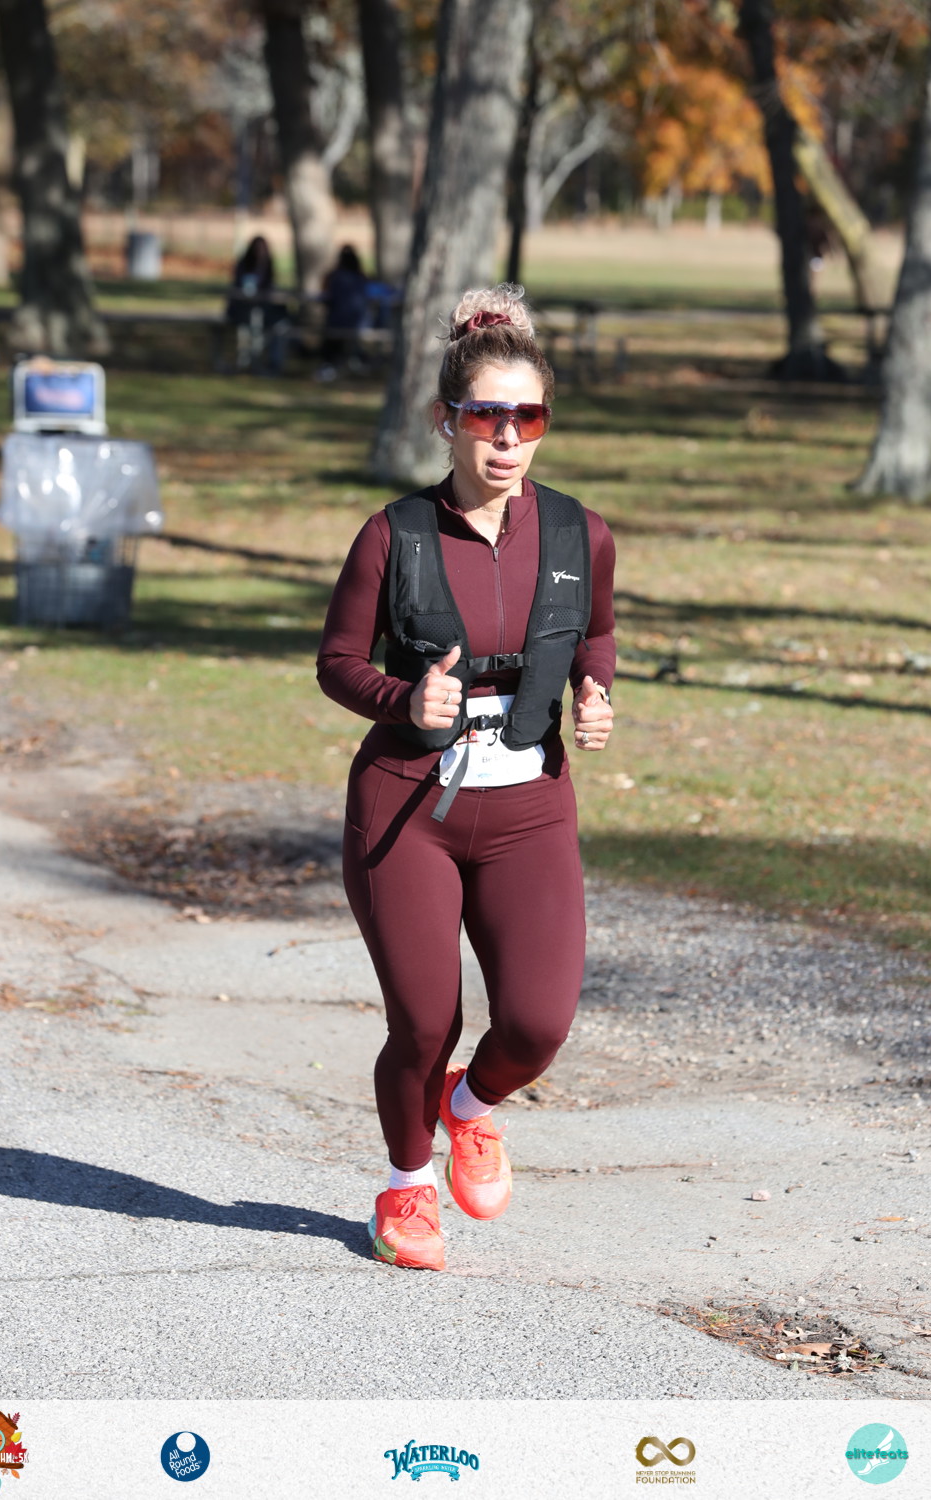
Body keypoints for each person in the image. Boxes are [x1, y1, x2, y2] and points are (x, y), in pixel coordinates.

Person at [316, 283, 616, 1271]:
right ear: (445, 419)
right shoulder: (393, 534)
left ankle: (470, 1104)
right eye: (486, 416)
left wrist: (595, 690)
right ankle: (405, 1188)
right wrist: (404, 700)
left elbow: (595, 633)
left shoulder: (579, 533)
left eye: (528, 417)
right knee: (424, 1020)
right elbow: (337, 663)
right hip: (409, 808)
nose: (507, 438)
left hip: (530, 807)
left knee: (538, 1021)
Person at [226, 236, 282, 370]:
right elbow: (235, 285)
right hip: (241, 307)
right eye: (257, 248)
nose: (259, 252)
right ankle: (245, 359)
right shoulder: (244, 264)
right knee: (248, 323)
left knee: (259, 321)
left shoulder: (267, 265)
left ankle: (255, 358)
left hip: (261, 308)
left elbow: (270, 288)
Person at [316, 244, 370, 380]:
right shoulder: (361, 278)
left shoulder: (334, 277)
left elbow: (327, 300)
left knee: (333, 331)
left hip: (340, 323)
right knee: (338, 331)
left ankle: (330, 365)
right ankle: (353, 360)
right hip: (360, 324)